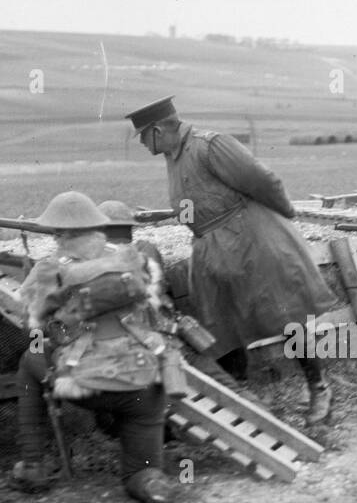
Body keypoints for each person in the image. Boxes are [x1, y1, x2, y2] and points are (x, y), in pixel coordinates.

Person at [125, 96, 339, 425]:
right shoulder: (173, 155)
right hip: (212, 251)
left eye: (142, 135)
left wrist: (283, 219)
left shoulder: (210, 146)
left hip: (252, 242)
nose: (141, 142)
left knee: (284, 314)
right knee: (219, 325)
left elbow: (265, 181)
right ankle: (243, 401)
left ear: (157, 130)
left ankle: (319, 387)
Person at [11, 191, 214, 503]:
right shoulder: (132, 259)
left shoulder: (50, 268)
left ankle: (33, 466)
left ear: (60, 234)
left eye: (55, 233)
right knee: (141, 471)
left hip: (90, 383)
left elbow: (31, 322)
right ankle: (170, 494)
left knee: (28, 359)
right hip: (146, 382)